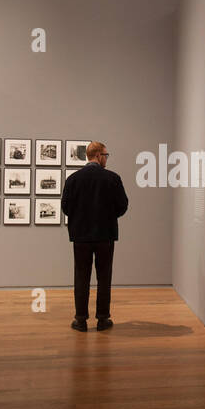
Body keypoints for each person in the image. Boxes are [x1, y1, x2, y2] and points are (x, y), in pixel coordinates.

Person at [61, 141, 128, 332]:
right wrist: (107, 215)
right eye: (106, 155)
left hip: (80, 236)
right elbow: (122, 206)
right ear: (98, 155)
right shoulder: (113, 178)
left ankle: (80, 320)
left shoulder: (73, 180)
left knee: (81, 277)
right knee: (104, 277)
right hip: (105, 235)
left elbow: (65, 207)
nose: (107, 159)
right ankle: (102, 319)